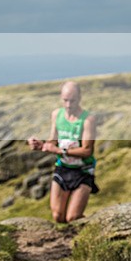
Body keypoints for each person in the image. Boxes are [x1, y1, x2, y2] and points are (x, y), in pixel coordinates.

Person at [27, 81, 98, 223]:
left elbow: (87, 151)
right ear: (61, 97)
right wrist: (41, 145)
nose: (68, 105)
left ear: (79, 98)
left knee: (72, 218)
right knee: (58, 217)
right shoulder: (56, 115)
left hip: (82, 171)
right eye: (65, 100)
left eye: (72, 100)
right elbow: (53, 141)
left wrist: (61, 150)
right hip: (63, 169)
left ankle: (90, 234)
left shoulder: (87, 120)